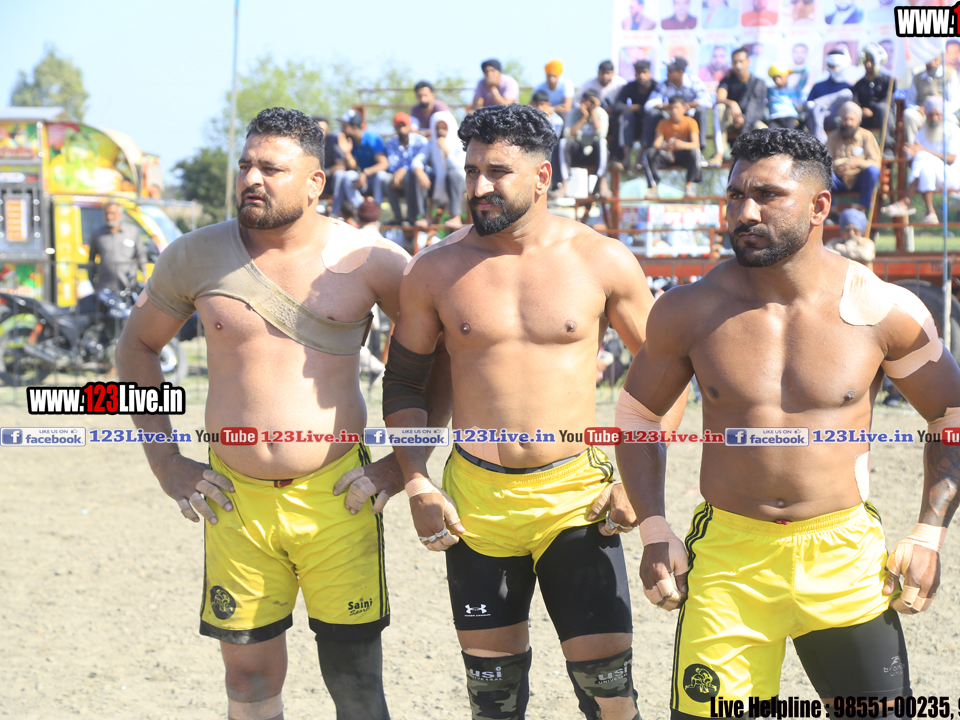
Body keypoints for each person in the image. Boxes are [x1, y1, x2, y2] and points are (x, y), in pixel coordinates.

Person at [614, 127, 960, 716]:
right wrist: (655, 527)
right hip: (729, 559)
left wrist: (928, 533)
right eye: (736, 195)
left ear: (818, 206)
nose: (745, 212)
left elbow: (953, 416)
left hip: (842, 556)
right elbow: (638, 417)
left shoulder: (882, 310)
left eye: (767, 195)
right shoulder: (689, 308)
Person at [115, 107, 450, 720]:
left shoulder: (373, 259)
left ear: (316, 181)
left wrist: (399, 468)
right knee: (247, 681)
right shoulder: (194, 255)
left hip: (339, 498)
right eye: (246, 165)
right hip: (234, 502)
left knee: (355, 681)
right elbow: (135, 349)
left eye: (271, 168)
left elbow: (439, 360)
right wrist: (167, 463)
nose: (251, 178)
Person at [384, 103, 685, 720]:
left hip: (576, 498)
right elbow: (405, 384)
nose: (479, 187)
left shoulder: (601, 259)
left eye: (498, 172)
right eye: (471, 171)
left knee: (609, 695)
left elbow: (668, 374)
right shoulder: (435, 270)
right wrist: (415, 480)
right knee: (493, 701)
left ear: (543, 176)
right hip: (476, 504)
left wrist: (636, 485)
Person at [882, 97, 960, 225]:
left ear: (943, 114)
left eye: (938, 114)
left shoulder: (952, 130)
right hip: (928, 177)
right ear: (926, 116)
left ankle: (907, 200)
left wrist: (922, 151)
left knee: (922, 156)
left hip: (951, 177)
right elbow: (913, 165)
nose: (934, 118)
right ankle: (930, 213)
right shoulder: (921, 133)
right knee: (925, 166)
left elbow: (951, 159)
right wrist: (911, 155)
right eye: (931, 115)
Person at [645, 57, 714, 154]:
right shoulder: (665, 84)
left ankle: (700, 150)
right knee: (653, 113)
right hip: (671, 117)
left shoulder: (694, 81)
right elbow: (648, 105)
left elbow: (708, 102)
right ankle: (648, 149)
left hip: (690, 116)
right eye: (667, 71)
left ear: (680, 72)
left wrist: (687, 106)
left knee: (701, 111)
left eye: (670, 72)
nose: (667, 74)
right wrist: (668, 106)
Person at [331, 108, 389, 217]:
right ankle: (362, 211)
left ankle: (376, 212)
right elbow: (353, 166)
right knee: (348, 175)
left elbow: (384, 164)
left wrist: (365, 172)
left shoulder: (372, 138)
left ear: (354, 127)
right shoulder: (350, 141)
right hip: (363, 180)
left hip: (374, 179)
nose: (342, 129)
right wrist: (347, 153)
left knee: (380, 175)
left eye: (344, 126)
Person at [412, 111, 466, 229]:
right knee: (420, 176)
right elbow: (417, 161)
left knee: (452, 176)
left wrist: (445, 150)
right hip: (437, 183)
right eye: (438, 128)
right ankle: (424, 216)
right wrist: (420, 172)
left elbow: (459, 168)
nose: (441, 131)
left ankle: (455, 216)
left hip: (457, 183)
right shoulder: (431, 144)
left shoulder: (459, 143)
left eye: (444, 128)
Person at [553, 89, 611, 197]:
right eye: (585, 101)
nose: (587, 104)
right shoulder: (574, 113)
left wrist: (592, 113)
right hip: (577, 152)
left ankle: (602, 183)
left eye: (591, 102)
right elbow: (568, 134)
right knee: (563, 143)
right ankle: (563, 184)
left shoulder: (601, 113)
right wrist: (584, 117)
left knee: (602, 142)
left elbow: (601, 134)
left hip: (593, 153)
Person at [713, 47, 768, 161]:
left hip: (749, 121)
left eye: (741, 61)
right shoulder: (727, 80)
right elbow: (719, 99)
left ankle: (763, 162)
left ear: (748, 61)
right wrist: (732, 103)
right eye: (735, 62)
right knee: (720, 108)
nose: (738, 65)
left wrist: (743, 120)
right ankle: (719, 152)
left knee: (765, 131)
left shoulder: (758, 83)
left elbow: (755, 111)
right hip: (730, 120)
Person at [827, 102, 882, 213]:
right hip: (839, 179)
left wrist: (858, 163)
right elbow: (825, 162)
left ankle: (863, 207)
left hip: (859, 179)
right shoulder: (833, 137)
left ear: (858, 121)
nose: (848, 123)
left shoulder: (867, 136)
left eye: (852, 119)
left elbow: (876, 162)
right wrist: (835, 166)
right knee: (823, 174)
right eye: (845, 119)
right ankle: (831, 210)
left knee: (873, 171)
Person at [643, 96, 702, 196]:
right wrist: (665, 147)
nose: (674, 111)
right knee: (649, 153)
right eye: (671, 108)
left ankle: (689, 187)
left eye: (677, 108)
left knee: (695, 152)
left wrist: (682, 145)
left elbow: (696, 144)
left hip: (683, 156)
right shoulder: (663, 123)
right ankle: (653, 188)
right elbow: (656, 144)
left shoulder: (691, 122)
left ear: (684, 108)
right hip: (667, 155)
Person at [901, 53, 960, 146]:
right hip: (923, 115)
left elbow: (955, 102)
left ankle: (951, 150)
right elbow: (909, 101)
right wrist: (917, 108)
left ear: (940, 58)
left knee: (953, 121)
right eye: (929, 59)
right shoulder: (917, 77)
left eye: (935, 58)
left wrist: (938, 111)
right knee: (908, 115)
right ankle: (913, 149)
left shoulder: (950, 75)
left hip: (942, 114)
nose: (932, 62)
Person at [87, 201, 146, 293]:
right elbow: (91, 261)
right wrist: (92, 282)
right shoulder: (97, 234)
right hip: (105, 287)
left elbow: (141, 255)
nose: (109, 217)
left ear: (120, 215)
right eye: (106, 213)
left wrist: (144, 276)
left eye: (112, 213)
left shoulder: (132, 232)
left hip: (128, 286)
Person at [382, 112, 429, 225]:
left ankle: (415, 216)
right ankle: (397, 216)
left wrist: (404, 170)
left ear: (410, 126)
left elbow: (421, 161)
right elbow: (392, 164)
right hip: (398, 177)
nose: (402, 129)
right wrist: (400, 172)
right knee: (387, 180)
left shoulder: (421, 141)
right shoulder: (391, 142)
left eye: (404, 126)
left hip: (418, 176)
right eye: (398, 126)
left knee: (409, 176)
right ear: (395, 128)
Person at [613, 59, 660, 168]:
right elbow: (617, 106)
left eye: (644, 72)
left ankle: (641, 157)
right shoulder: (630, 86)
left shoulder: (656, 87)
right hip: (634, 126)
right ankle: (626, 157)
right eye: (638, 73)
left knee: (652, 115)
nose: (641, 76)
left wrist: (642, 109)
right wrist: (634, 108)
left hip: (651, 126)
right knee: (626, 116)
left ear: (650, 73)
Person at [805, 48, 854, 144]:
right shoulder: (818, 86)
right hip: (818, 123)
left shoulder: (849, 88)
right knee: (815, 111)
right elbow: (809, 107)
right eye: (831, 65)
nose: (834, 69)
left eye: (836, 66)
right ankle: (820, 146)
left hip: (840, 124)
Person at [853, 43, 895, 152]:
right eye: (866, 61)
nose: (868, 64)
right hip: (863, 118)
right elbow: (855, 103)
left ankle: (888, 147)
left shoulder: (889, 81)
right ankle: (854, 149)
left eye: (871, 61)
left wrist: (872, 110)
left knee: (883, 108)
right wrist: (860, 111)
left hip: (882, 117)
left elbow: (888, 100)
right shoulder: (858, 85)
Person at [765, 64, 801, 130]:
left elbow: (805, 71)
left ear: (786, 76)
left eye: (779, 76)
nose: (777, 80)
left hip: (791, 117)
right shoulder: (770, 90)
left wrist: (790, 71)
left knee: (793, 134)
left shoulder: (794, 88)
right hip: (775, 118)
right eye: (774, 78)